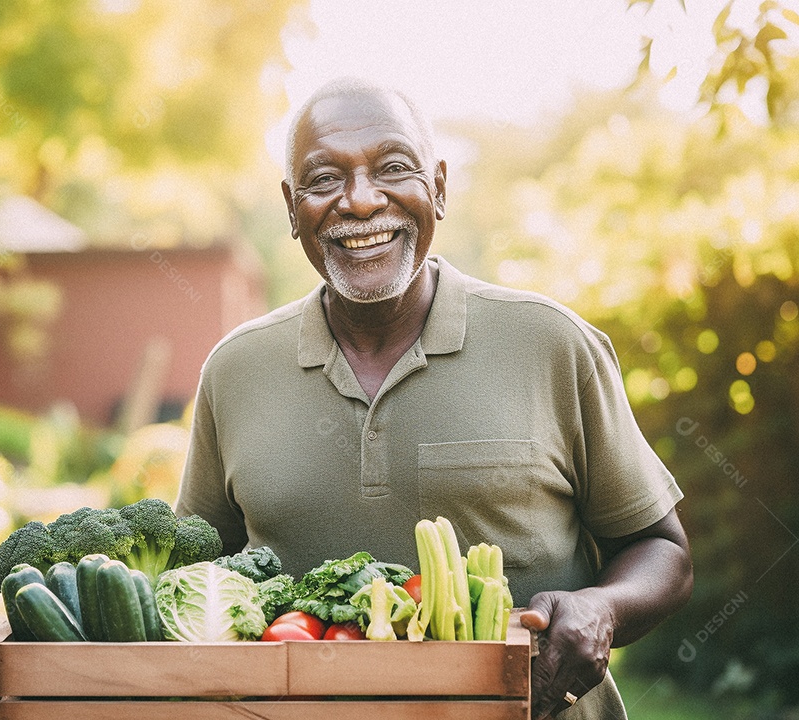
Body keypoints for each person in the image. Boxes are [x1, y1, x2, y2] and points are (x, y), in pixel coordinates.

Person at [175, 78, 693, 720]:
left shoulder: (551, 344)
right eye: (324, 178)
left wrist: (602, 607)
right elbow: (195, 573)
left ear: (439, 188)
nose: (360, 202)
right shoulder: (235, 371)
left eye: (393, 168)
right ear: (291, 206)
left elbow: (661, 549)